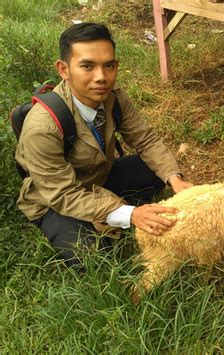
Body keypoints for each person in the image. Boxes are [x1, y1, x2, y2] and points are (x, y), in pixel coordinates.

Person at [15, 22, 193, 267]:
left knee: (156, 171)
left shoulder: (114, 97)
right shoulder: (41, 127)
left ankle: (111, 210)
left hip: (97, 175)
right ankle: (107, 216)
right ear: (63, 70)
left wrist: (175, 179)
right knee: (95, 258)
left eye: (108, 66)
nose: (101, 77)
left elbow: (145, 139)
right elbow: (63, 194)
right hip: (54, 198)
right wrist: (131, 214)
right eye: (87, 66)